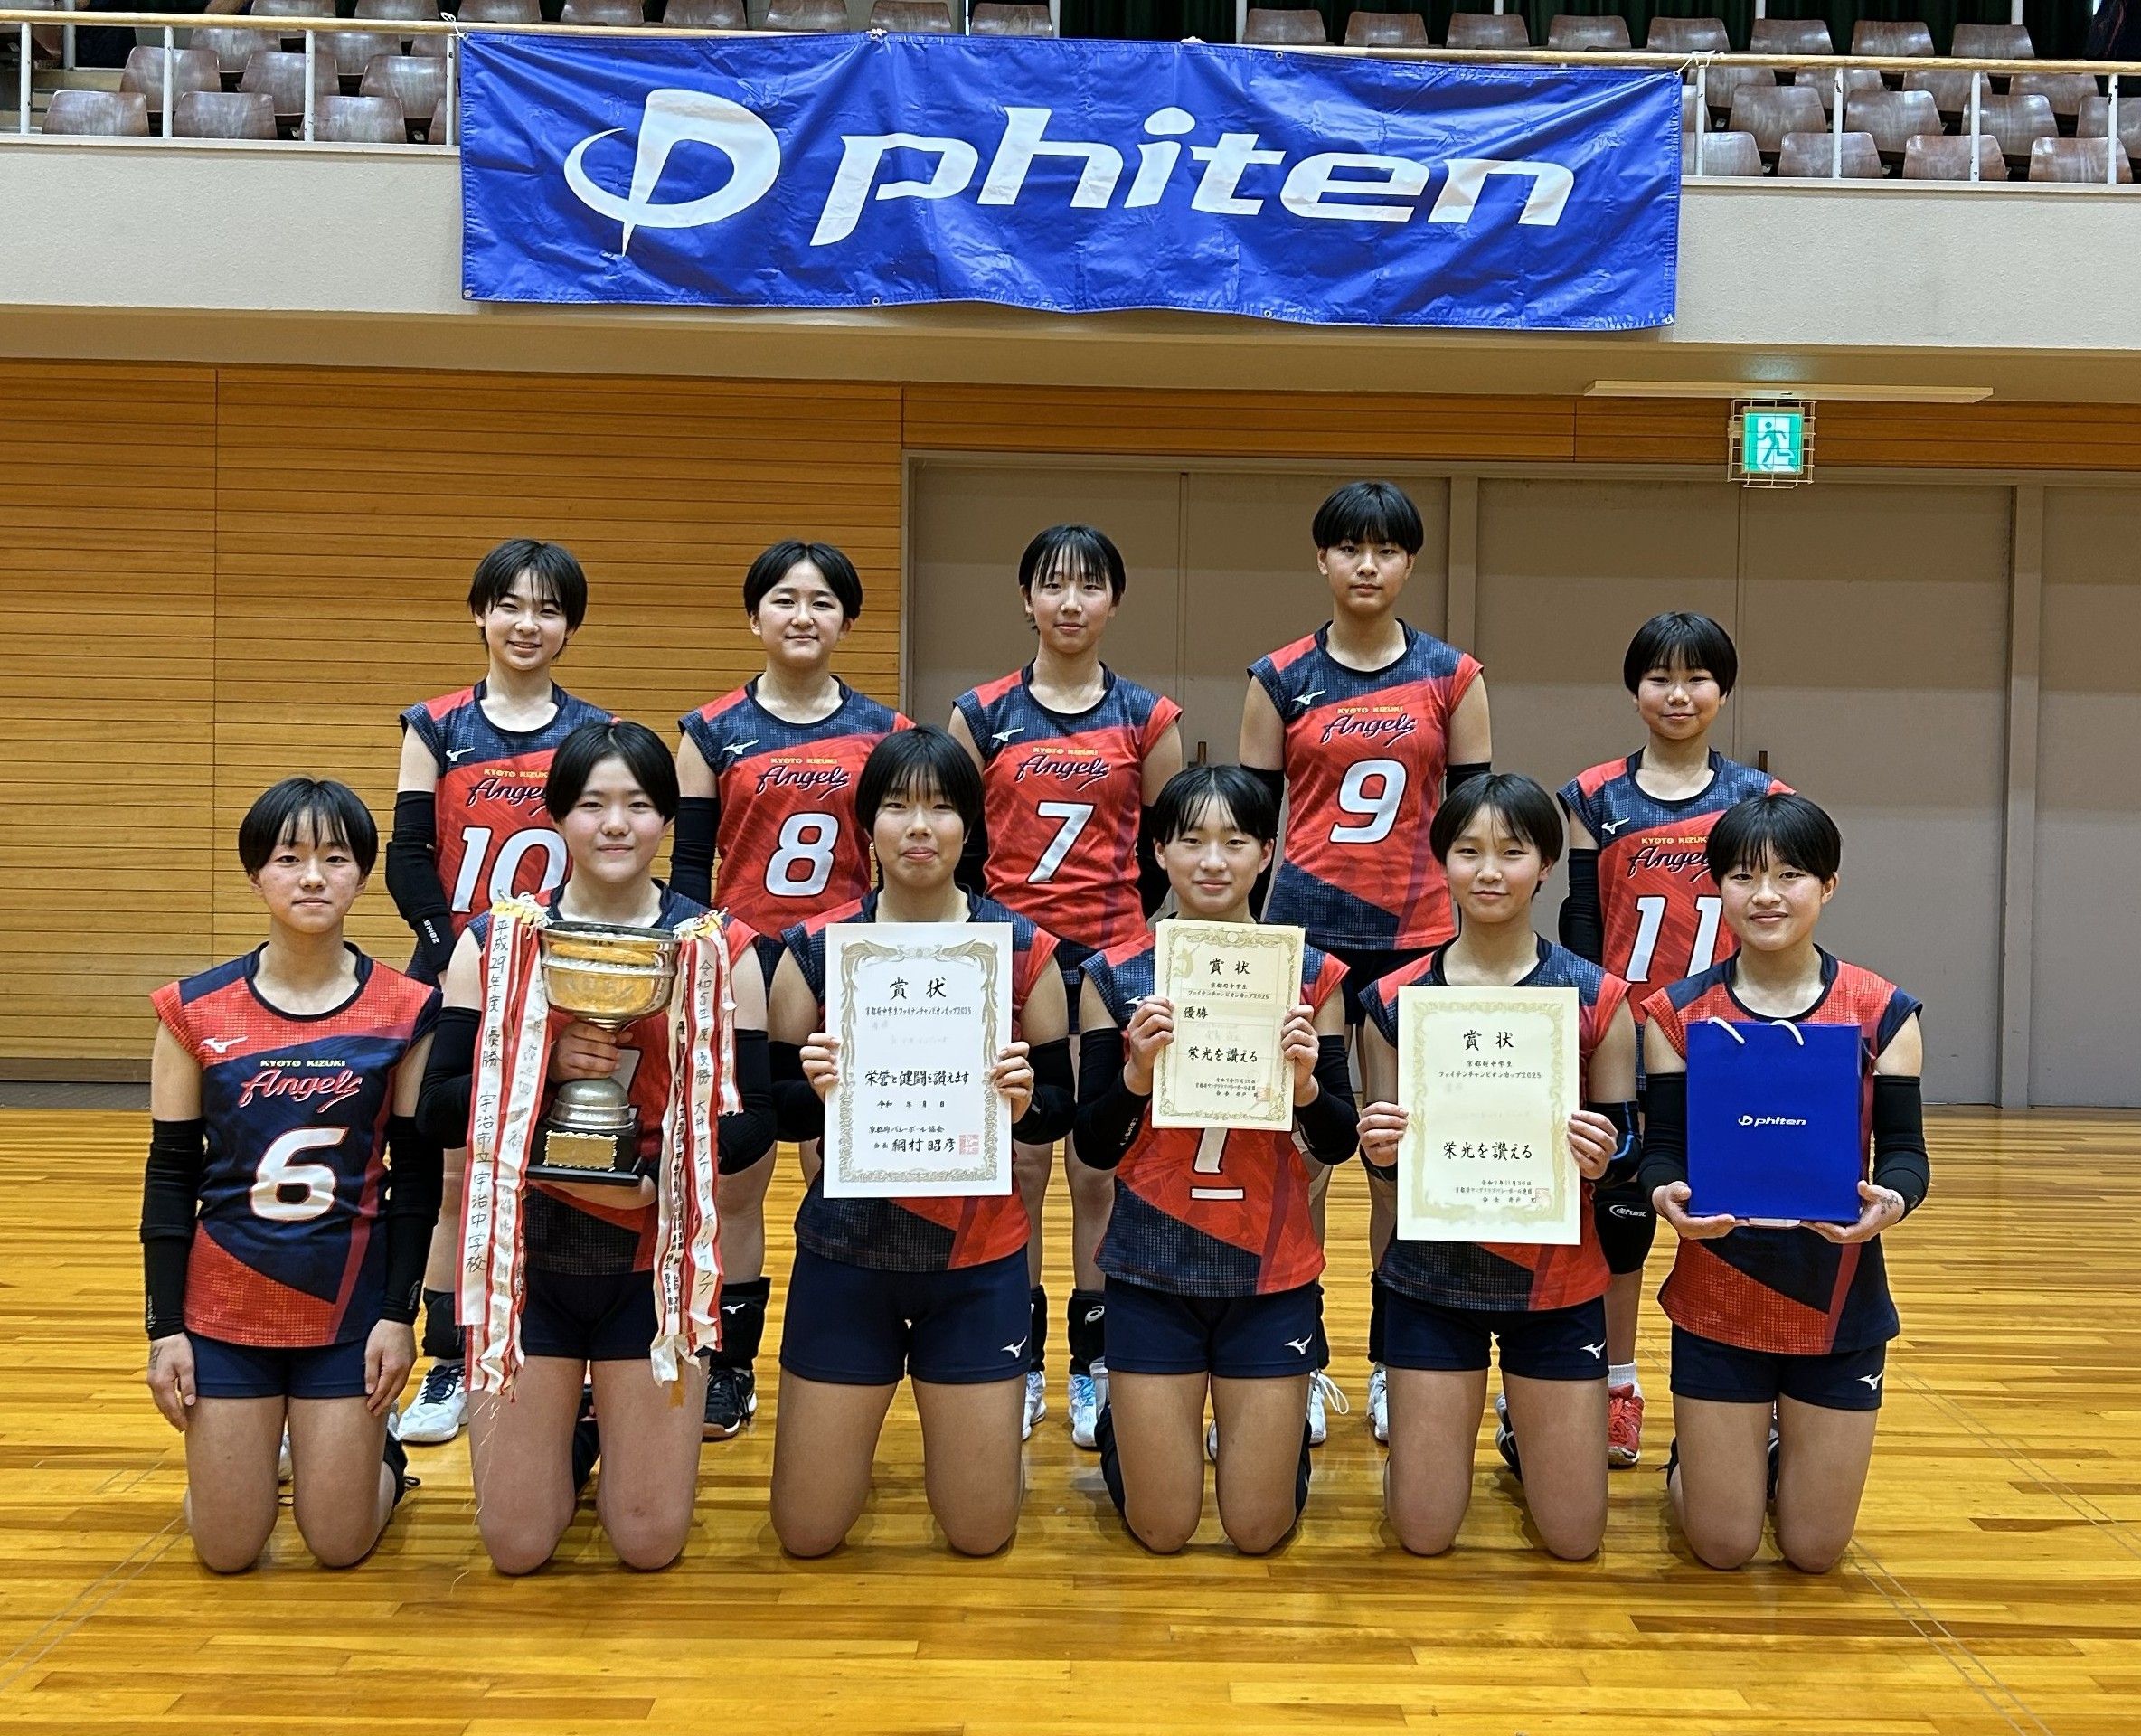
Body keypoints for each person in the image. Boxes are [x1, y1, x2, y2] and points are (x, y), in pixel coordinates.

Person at [416, 719, 775, 1574]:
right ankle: (573, 1438)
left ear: (668, 820)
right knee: (516, 1548)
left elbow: (752, 1124)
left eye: (639, 805)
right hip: (529, 1267)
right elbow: (436, 1111)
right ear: (557, 815)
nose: (616, 824)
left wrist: (647, 1178)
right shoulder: (493, 942)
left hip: (652, 1265)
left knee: (648, 1544)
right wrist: (540, 1069)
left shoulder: (719, 947)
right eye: (592, 804)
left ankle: (608, 1421)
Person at [767, 727, 1074, 1556]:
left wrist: (1023, 1102)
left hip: (977, 1262)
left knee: (981, 1533)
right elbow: (774, 1111)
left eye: (941, 807)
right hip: (846, 1256)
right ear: (867, 823)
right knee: (806, 1534)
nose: (919, 826)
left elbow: (1060, 1110)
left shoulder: (1022, 951)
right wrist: (817, 1092)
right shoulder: (815, 949)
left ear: (970, 826)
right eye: (897, 805)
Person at [1241, 480, 1492, 1445]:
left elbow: (1475, 826)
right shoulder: (1279, 677)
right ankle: (1297, 1360)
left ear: (1409, 563)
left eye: (1386, 549)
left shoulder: (1452, 677)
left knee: (1399, 1161)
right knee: (1300, 1160)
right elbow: (1250, 827)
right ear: (1322, 559)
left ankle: (1395, 1360)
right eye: (1349, 547)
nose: (1366, 565)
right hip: (1302, 940)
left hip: (1416, 940)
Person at [142, 778, 440, 1571]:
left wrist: (398, 1316)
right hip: (225, 1306)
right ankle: (255, 1461)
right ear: (255, 874)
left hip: (347, 1310)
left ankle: (378, 1458)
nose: (312, 877)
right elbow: (169, 1179)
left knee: (339, 1543)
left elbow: (415, 1184)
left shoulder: (409, 1009)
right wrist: (164, 1329)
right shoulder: (192, 1010)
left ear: (362, 875)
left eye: (335, 858)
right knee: (227, 1550)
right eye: (288, 858)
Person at [1636, 793, 1929, 1573]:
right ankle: (1699, 1462)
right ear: (1718, 889)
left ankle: (1761, 1456)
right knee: (1723, 1546)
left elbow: (1907, 1154)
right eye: (1743, 876)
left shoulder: (1882, 1011)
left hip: (1839, 1301)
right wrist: (1665, 1195)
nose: (1765, 895)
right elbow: (1662, 1152)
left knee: (1813, 1551)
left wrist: (1892, 1201)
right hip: (1718, 1293)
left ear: (1828, 885)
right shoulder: (1676, 1013)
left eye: (1790, 875)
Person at [1353, 775, 1638, 1561]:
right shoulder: (1393, 1001)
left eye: (1512, 853)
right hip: (1430, 1282)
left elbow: (1628, 1154)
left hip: (1557, 1285)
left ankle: (1531, 1433)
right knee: (1422, 1533)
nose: (1489, 871)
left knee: (1575, 1540)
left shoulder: (1597, 998)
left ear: (1545, 865)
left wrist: (1606, 1157)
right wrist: (1380, 1151)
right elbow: (1388, 1179)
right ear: (1440, 860)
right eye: (1468, 851)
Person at [1073, 764, 1356, 1554]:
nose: (1212, 861)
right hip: (1150, 1267)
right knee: (1163, 1529)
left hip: (1269, 1274)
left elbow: (1338, 1140)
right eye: (1191, 840)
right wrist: (1134, 1075)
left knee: (1257, 1529)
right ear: (1158, 851)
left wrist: (1306, 1086)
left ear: (1267, 854)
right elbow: (1092, 1144)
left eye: (1235, 842)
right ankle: (1127, 1418)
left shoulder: (1310, 976)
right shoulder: (1114, 975)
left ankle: (1274, 1425)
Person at [948, 525, 1184, 1449]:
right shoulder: (981, 713)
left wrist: (1116, 935)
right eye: (1053, 584)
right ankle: (1017, 1357)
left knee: (1098, 1169)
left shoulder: (1147, 718)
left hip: (1109, 962)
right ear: (1026, 598)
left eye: (1089, 586)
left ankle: (1095, 1362)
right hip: (1009, 964)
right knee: (1018, 1164)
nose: (1071, 602)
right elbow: (960, 843)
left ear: (1114, 601)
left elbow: (1164, 850)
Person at [674, 539, 910, 1442]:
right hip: (741, 969)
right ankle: (730, 1365)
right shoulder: (710, 731)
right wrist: (697, 964)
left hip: (844, 969)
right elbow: (688, 867)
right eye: (783, 598)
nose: (802, 615)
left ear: (848, 620)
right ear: (754, 616)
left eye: (821, 601)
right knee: (736, 1178)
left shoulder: (887, 732)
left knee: (837, 1167)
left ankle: (844, 1349)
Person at [387, 539, 608, 1447]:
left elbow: (608, 856)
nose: (527, 624)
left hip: (565, 984)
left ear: (570, 627)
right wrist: (459, 959)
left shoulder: (593, 733)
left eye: (548, 609)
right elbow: (407, 860)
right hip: (460, 979)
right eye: (510, 605)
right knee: (452, 1181)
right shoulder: (436, 726)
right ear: (479, 613)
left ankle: (571, 1363)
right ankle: (450, 1359)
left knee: (569, 1175)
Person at [1557, 611, 1787, 1469]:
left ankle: (1743, 1395)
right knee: (1618, 1223)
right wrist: (1590, 1028)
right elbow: (1582, 921)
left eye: (1698, 678)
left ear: (1723, 691)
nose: (1678, 694)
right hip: (1625, 1036)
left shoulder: (1762, 801)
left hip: (1725, 1041)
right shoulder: (1592, 796)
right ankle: (1617, 1386)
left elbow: (1776, 919)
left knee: (1735, 1218)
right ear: (1634, 690)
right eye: (1660, 677)